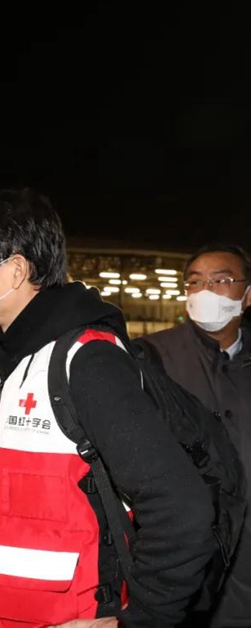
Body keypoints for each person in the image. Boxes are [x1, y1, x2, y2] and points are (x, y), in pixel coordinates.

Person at [0, 188, 215, 628]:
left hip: (78, 614)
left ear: (15, 270)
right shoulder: (11, 361)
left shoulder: (86, 361)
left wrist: (138, 620)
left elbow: (182, 509)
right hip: (11, 614)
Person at [141, 244, 251, 628]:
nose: (205, 291)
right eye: (195, 282)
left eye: (220, 280)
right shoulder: (151, 357)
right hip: (187, 551)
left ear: (247, 295)